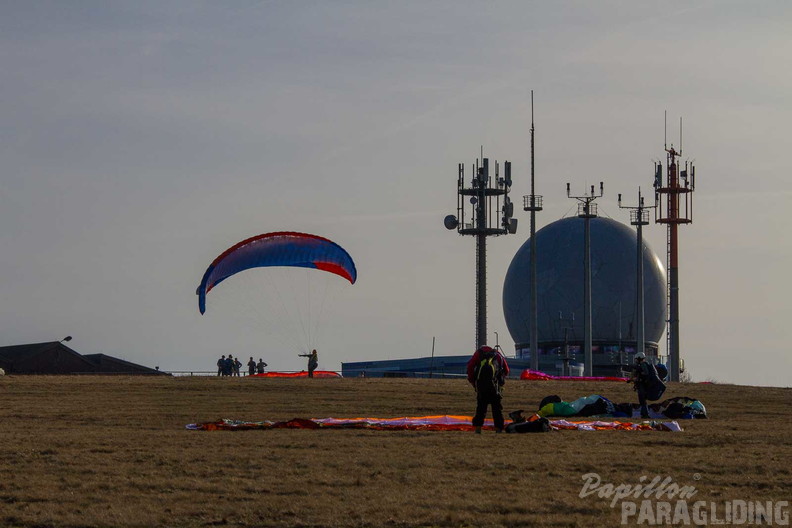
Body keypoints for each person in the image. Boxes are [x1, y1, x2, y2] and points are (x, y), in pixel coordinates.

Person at [466, 345, 510, 433]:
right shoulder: (497, 354)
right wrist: (500, 380)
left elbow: (470, 367)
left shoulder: (478, 354)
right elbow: (506, 370)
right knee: (497, 409)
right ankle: (498, 429)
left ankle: (478, 429)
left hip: (481, 386)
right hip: (495, 386)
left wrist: (473, 382)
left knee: (481, 408)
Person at [628, 352, 666, 419]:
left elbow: (645, 373)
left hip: (643, 385)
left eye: (636, 359)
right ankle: (644, 414)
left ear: (639, 358)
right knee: (643, 400)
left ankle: (644, 414)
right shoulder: (646, 365)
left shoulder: (643, 365)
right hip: (646, 385)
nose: (636, 360)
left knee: (642, 400)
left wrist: (638, 375)